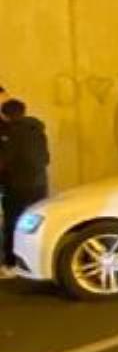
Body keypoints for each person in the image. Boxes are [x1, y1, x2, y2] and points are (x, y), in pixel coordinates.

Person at [0, 98, 49, 272]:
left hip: (16, 186)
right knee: (37, 223)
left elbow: (5, 161)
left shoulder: (13, 133)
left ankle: (11, 264)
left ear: (5, 115)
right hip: (39, 184)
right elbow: (46, 158)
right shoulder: (38, 130)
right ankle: (38, 260)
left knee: (12, 223)